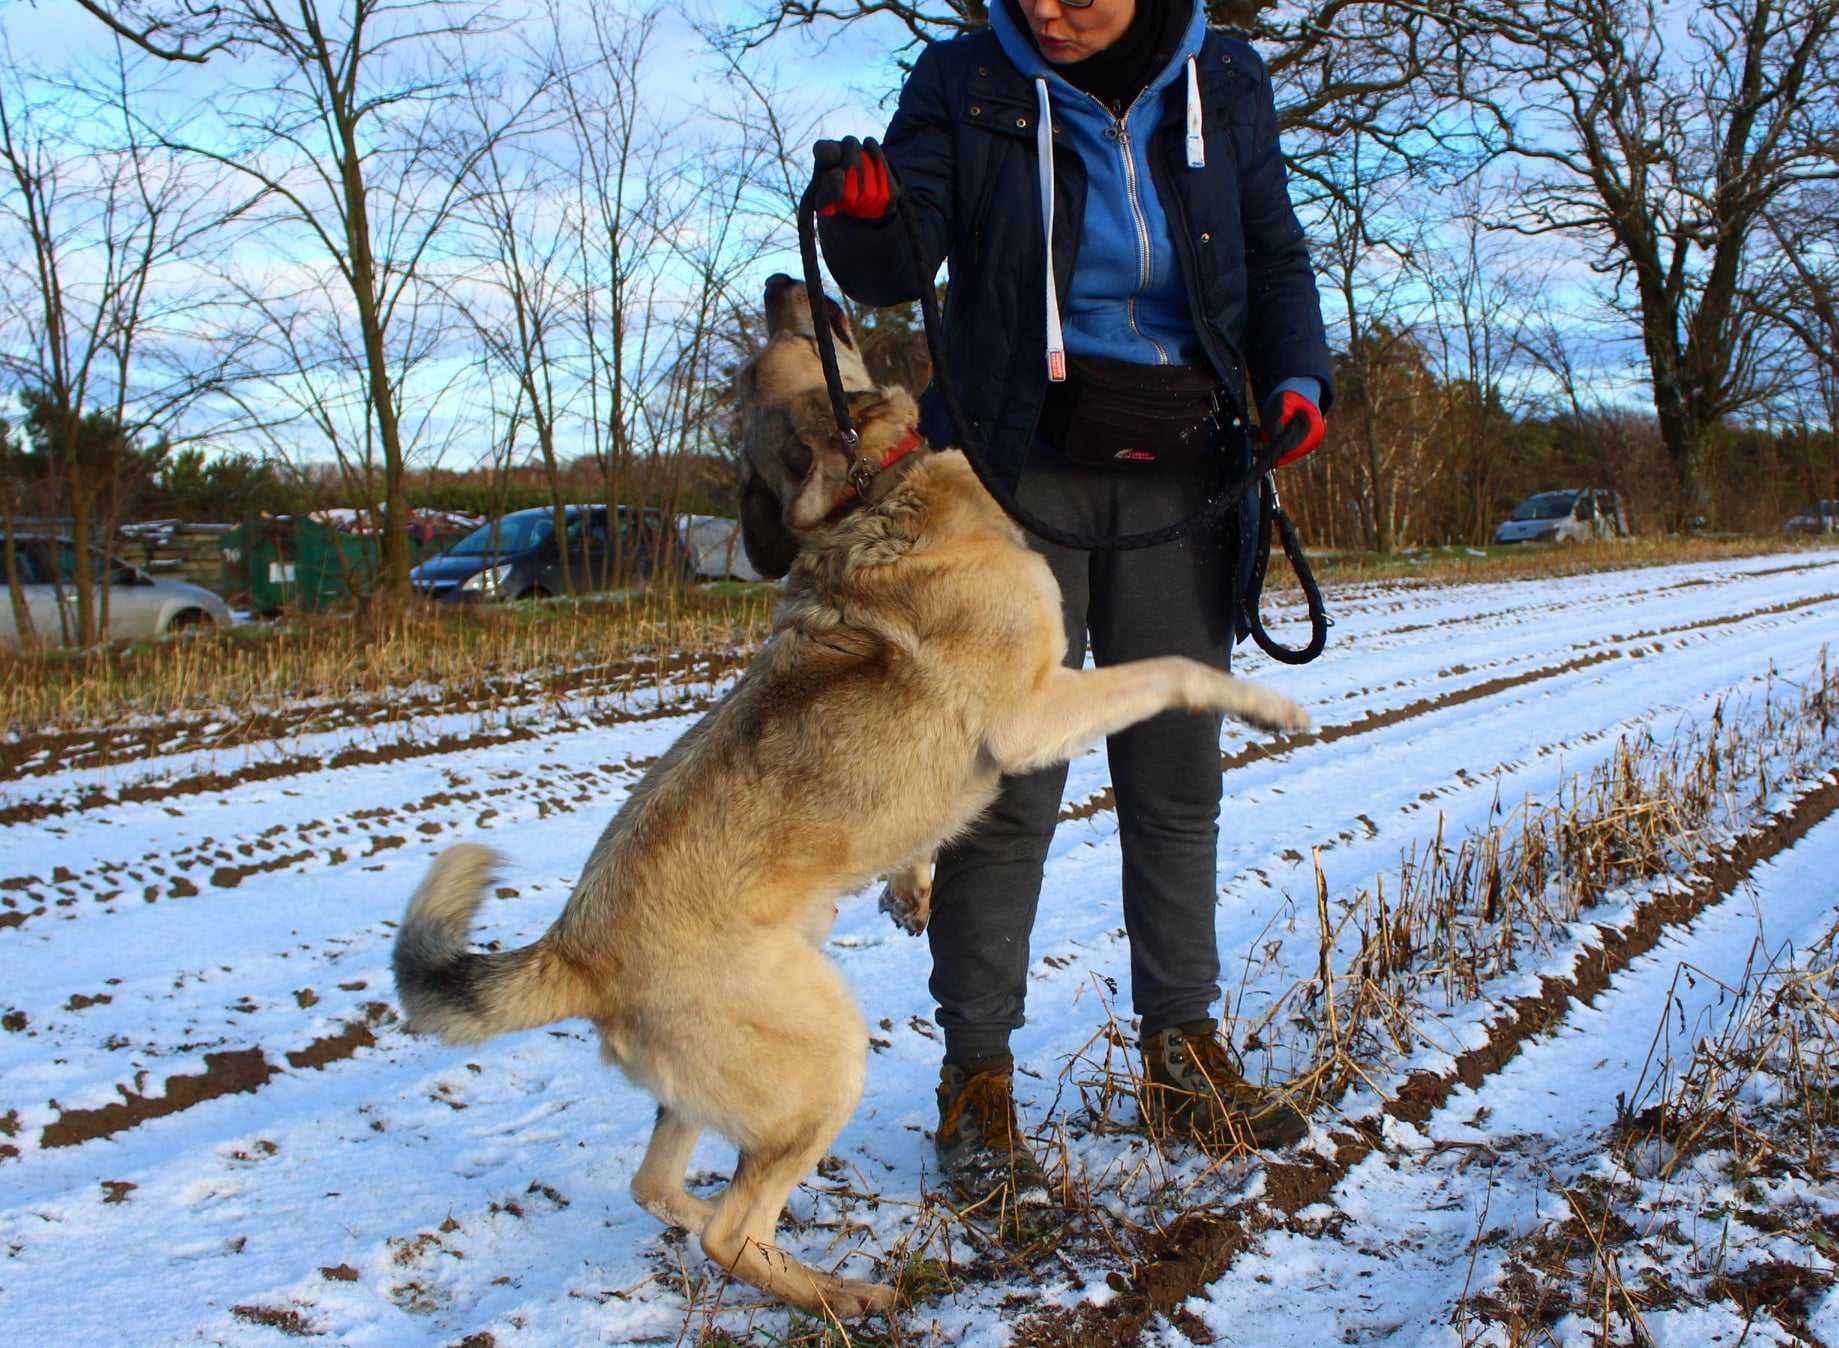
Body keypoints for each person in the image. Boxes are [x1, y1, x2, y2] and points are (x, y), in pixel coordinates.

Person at [812, 0, 1333, 1203]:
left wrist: (1298, 375)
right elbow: (901, 258)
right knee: (1005, 790)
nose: (1049, 9)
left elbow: (1273, 250)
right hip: (1015, 472)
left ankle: (1181, 1053)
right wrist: (872, 214)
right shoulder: (965, 77)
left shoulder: (1227, 81)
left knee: (1176, 774)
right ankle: (977, 1084)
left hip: (1185, 467)